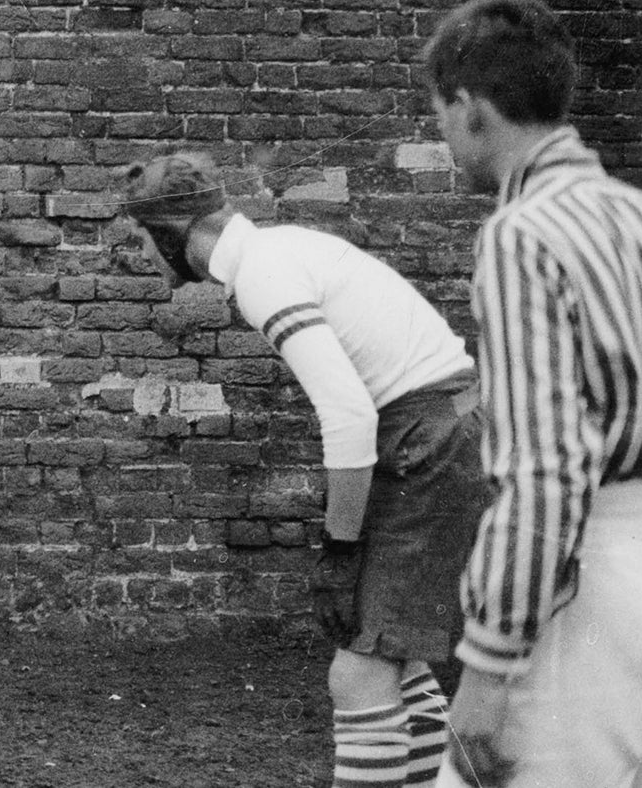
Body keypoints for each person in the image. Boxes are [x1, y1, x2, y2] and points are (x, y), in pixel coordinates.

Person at [422, 0, 642, 788]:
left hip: (587, 596)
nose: (444, 138)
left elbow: (544, 471)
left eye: (440, 116)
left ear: (471, 109)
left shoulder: (521, 235)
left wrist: (486, 665)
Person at [119, 152, 486, 788]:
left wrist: (339, 553)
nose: (141, 262)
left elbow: (347, 414)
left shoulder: (264, 272)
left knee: (358, 674)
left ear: (172, 234)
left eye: (141, 242)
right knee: (397, 663)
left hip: (429, 437)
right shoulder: (279, 248)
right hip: (439, 427)